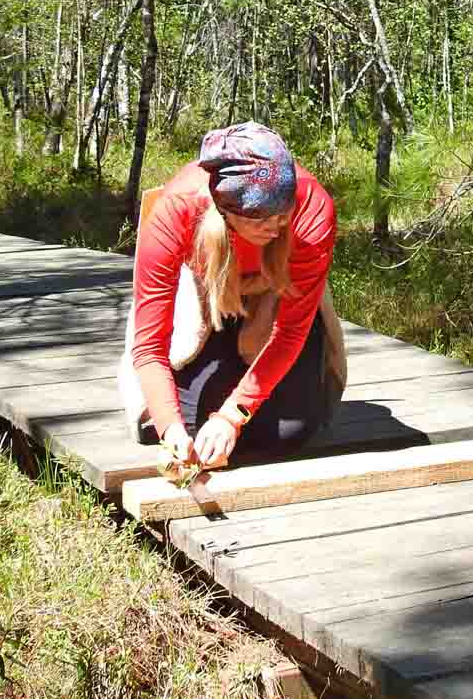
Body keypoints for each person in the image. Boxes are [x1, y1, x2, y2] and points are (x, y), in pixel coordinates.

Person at [118, 121, 339, 470]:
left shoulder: (312, 206)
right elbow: (149, 344)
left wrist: (231, 417)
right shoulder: (178, 209)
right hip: (209, 292)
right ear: (226, 210)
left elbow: (291, 332)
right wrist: (170, 430)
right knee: (186, 426)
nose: (276, 226)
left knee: (288, 433)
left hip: (276, 291)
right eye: (261, 219)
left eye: (284, 215)